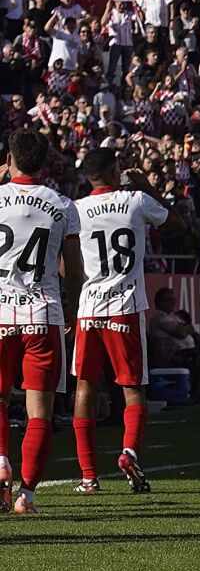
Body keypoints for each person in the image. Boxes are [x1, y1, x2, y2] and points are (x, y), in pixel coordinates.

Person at [70, 146, 178, 494]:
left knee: (86, 386)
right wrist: (148, 186)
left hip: (89, 308)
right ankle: (129, 451)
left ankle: (88, 477)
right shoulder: (135, 201)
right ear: (117, 172)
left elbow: (64, 259)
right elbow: (177, 224)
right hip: (125, 308)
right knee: (132, 388)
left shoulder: (76, 210)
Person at [0, 130, 84, 515]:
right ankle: (27, 496)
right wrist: (71, 307)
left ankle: (1, 462)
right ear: (46, 163)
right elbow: (74, 270)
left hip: (0, 312)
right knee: (40, 411)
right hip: (42, 312)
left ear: (10, 158)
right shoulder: (63, 205)